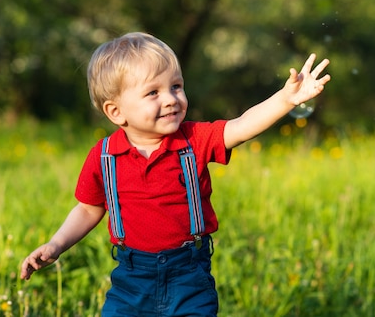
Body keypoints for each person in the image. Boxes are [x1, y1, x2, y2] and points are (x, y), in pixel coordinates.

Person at [20, 32, 330, 316]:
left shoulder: (194, 139)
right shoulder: (105, 157)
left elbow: (241, 126)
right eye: (152, 93)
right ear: (116, 112)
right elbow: (89, 208)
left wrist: (285, 99)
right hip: (131, 281)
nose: (170, 98)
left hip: (188, 278)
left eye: (176, 86)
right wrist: (56, 244)